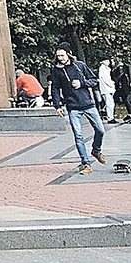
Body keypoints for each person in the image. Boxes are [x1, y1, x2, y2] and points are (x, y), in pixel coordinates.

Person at [49, 43, 106, 174]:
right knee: (78, 136)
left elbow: (94, 80)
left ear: (68, 54)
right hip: (72, 107)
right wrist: (57, 105)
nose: (60, 58)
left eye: (62, 55)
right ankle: (86, 164)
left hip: (88, 104)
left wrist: (82, 83)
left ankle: (96, 150)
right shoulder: (56, 70)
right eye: (58, 56)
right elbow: (55, 89)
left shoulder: (80, 65)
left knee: (100, 130)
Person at [98, 58, 116, 122]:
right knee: (109, 104)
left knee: (111, 103)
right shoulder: (102, 69)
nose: (108, 62)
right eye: (107, 61)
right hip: (106, 89)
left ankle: (111, 116)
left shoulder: (107, 69)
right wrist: (112, 84)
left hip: (109, 89)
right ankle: (110, 118)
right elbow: (106, 79)